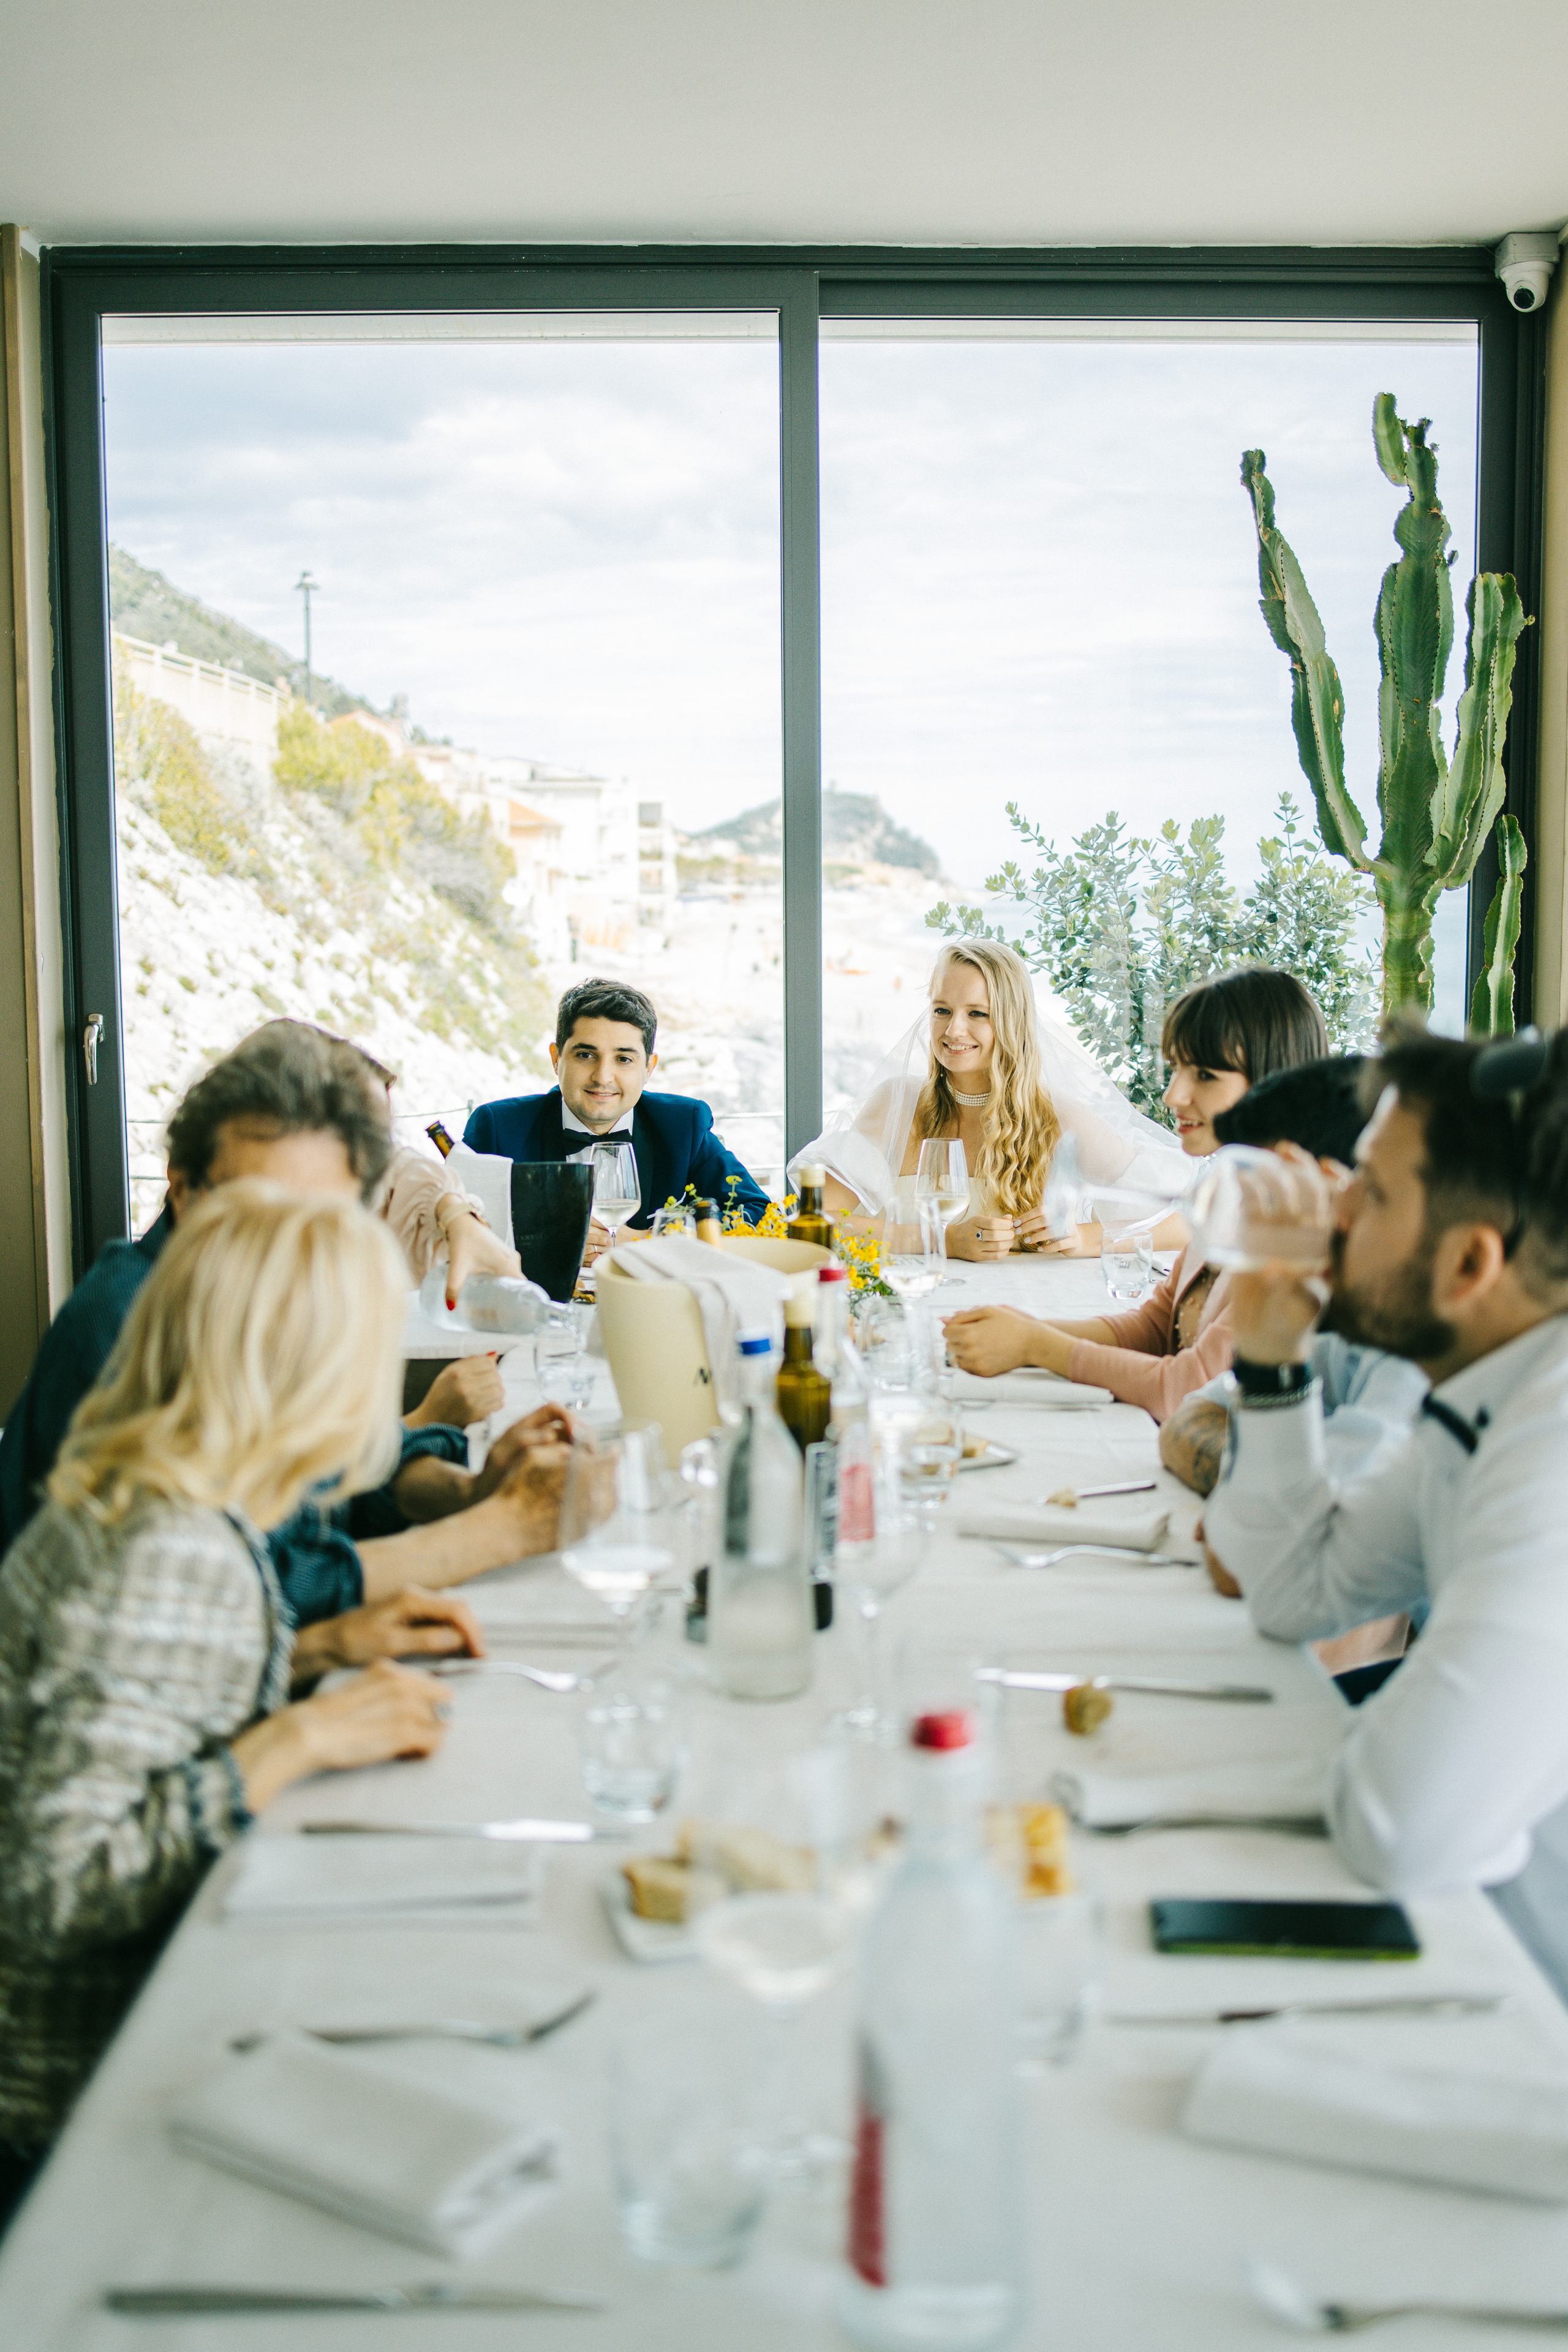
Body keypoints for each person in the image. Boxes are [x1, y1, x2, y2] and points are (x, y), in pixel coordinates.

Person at [0, 1183, 478, 2213]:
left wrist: (319, 1653)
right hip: (86, 2090)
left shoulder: (163, 1483)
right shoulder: (171, 1552)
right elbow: (58, 1884)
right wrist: (294, 1740)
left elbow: (143, 1705)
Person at [1204, 1025, 1568, 1997]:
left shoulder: (1553, 1448)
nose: (1333, 1204)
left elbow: (1403, 1825)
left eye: (1371, 1189)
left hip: (1528, 2015)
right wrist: (1273, 1360)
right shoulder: (1486, 1391)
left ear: (1467, 1267)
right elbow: (1293, 1591)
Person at [0, 1022, 569, 1616]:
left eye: (325, 1219)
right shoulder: (129, 1326)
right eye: (256, 1208)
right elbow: (251, 1588)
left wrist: (472, 1489)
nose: (292, 1247)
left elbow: (330, 1485)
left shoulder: (268, 1300)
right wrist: (498, 1532)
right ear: (182, 1186)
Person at [944, 965, 1329, 1415]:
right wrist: (1017, 1329)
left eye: (1204, 1075)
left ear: (1275, 1082)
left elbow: (1184, 1389)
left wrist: (1036, 1346)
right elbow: (1155, 1329)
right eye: (1177, 1069)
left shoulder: (1298, 1228)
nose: (1173, 1095)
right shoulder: (1232, 1192)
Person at [791, 938, 1190, 1265]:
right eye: (942, 1010)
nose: (953, 1029)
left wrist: (1082, 1237)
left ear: (1011, 1022)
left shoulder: (1060, 1119)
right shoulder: (897, 1104)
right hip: (906, 1304)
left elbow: (1183, 1225)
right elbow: (814, 1220)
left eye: (978, 1013)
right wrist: (943, 1240)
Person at [1158, 1055, 1428, 1496]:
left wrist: (1254, 1490)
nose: (1345, 1200)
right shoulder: (1344, 1334)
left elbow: (1290, 1539)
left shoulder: (1411, 1364)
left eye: (1271, 1194)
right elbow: (1189, 1418)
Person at [464, 978, 771, 1261]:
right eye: (586, 1055)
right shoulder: (497, 1129)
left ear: (649, 1068)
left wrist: (649, 1241)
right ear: (557, 1058)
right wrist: (540, 1242)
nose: (603, 1077)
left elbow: (756, 1213)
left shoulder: (682, 1125)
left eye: (624, 1059)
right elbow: (454, 1224)